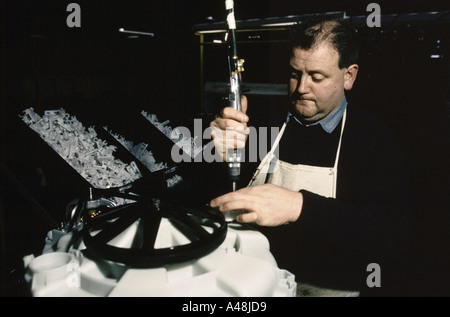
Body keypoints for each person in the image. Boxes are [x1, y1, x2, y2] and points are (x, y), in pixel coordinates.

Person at [209, 15, 412, 296]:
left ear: (349, 75)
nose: (302, 88)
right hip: (256, 285)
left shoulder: (375, 139)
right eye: (295, 74)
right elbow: (213, 196)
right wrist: (214, 151)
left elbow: (393, 235)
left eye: (317, 77)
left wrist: (300, 207)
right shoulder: (263, 124)